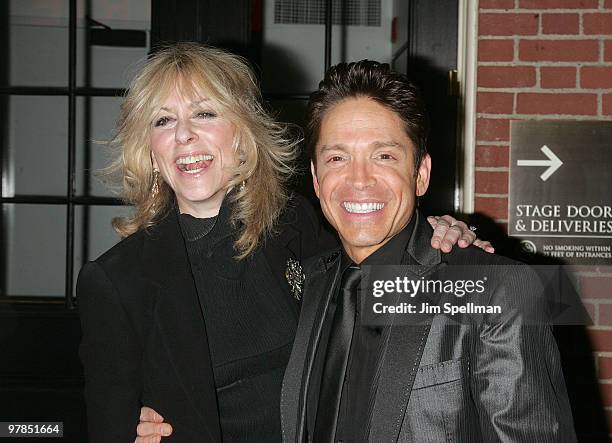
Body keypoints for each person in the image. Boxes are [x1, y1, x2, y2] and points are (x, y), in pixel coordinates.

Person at [78, 43, 489, 443]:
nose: (184, 135)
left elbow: (380, 268)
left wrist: (443, 232)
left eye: (204, 113)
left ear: (241, 133)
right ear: (149, 149)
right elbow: (104, 423)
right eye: (163, 121)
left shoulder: (295, 222)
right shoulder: (116, 281)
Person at [278, 61, 577, 442]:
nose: (359, 179)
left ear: (420, 174)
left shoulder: (500, 290)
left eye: (384, 156)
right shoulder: (306, 285)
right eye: (338, 158)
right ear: (317, 180)